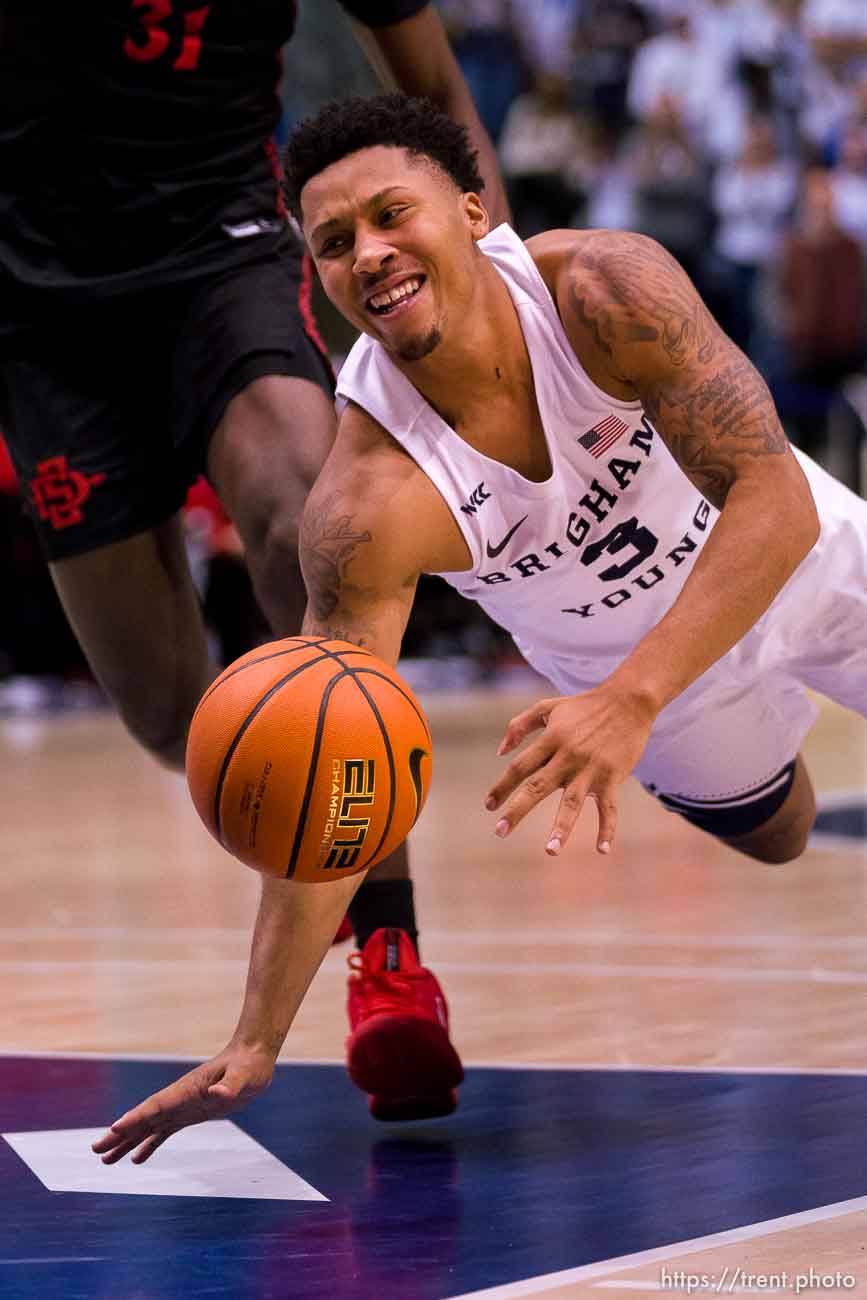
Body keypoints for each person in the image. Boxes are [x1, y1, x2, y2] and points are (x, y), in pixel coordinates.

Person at [93, 90, 867, 1166]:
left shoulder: (606, 288)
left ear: (470, 212)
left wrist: (627, 700)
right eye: (332, 243)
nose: (367, 252)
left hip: (792, 568)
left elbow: (772, 498)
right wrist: (256, 1037)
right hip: (655, 689)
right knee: (783, 836)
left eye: (389, 214)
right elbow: (331, 779)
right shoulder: (365, 506)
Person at [1, 9, 510, 1122]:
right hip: (38, 309)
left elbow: (433, 85)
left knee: (300, 518)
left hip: (220, 254)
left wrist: (496, 288)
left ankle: (390, 955)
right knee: (165, 712)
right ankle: (314, 860)